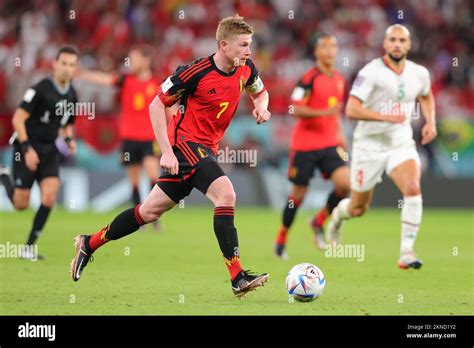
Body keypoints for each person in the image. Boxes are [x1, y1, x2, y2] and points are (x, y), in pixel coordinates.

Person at [70, 15, 271, 298]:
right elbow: (156, 105)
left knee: (148, 211)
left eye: (250, 44)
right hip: (186, 144)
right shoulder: (193, 73)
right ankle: (237, 276)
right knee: (226, 194)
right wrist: (166, 151)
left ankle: (89, 243)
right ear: (224, 45)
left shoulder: (246, 68)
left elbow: (261, 93)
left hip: (206, 148)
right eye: (243, 45)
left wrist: (262, 107)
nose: (249, 51)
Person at [326, 24, 437, 269]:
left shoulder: (419, 73)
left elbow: (426, 95)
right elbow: (351, 109)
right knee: (357, 208)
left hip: (400, 142)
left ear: (409, 45)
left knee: (412, 187)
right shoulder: (371, 72)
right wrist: (385, 117)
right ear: (385, 44)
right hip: (369, 145)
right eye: (393, 40)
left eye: (402, 40)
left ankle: (406, 252)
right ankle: (336, 219)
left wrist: (431, 121)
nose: (397, 44)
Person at [274, 33, 350, 260]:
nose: (329, 50)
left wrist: (341, 134)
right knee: (298, 194)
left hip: (330, 143)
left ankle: (318, 221)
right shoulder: (308, 79)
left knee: (345, 185)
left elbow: (335, 112)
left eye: (333, 45)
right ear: (316, 52)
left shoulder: (338, 78)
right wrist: (323, 112)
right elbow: (294, 109)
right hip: (305, 145)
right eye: (324, 46)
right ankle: (281, 238)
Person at [0, 46, 79, 260]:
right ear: (54, 64)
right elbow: (17, 118)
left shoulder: (72, 95)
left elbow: (66, 125)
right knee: (20, 204)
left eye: (71, 65)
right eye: (63, 63)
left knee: (50, 196)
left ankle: (28, 248)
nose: (67, 68)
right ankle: (4, 176)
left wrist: (69, 139)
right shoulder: (39, 89)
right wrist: (27, 150)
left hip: (49, 149)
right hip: (27, 146)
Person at [76, 45, 163, 230]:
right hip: (129, 139)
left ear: (146, 60)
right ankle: (139, 220)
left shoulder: (156, 83)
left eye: (134, 58)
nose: (130, 62)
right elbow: (105, 79)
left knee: (153, 175)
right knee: (134, 180)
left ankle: (154, 216)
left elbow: (169, 109)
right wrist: (83, 74)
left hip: (150, 138)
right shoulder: (125, 80)